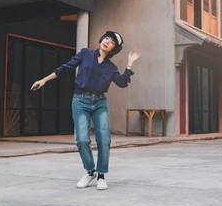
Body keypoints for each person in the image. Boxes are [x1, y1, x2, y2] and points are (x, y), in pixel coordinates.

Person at [31, 31, 141, 190]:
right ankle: (90, 172)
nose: (107, 41)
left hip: (99, 103)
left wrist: (130, 63)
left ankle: (101, 175)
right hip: (80, 101)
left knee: (104, 139)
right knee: (82, 140)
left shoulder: (111, 68)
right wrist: (44, 80)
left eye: (111, 42)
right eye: (106, 38)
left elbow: (122, 83)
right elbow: (65, 68)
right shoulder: (85, 54)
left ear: (113, 49)